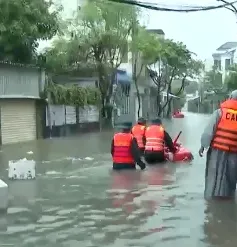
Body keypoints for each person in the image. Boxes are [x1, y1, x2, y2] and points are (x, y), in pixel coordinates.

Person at [199, 90, 237, 199]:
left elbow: (209, 131)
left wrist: (203, 145)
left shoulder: (220, 112)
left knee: (214, 178)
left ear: (230, 97)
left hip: (217, 151)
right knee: (231, 179)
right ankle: (228, 200)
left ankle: (213, 202)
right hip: (234, 153)